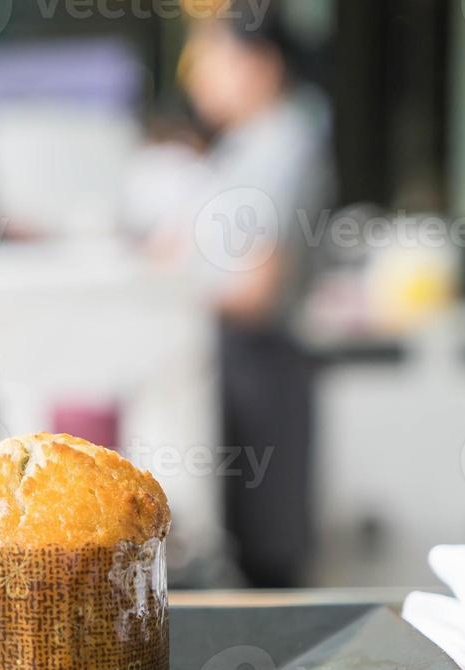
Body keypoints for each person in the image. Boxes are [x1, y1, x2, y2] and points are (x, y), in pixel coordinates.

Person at [176, 7, 334, 588]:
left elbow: (258, 288)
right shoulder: (243, 146)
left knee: (266, 560)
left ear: (262, 66)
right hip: (233, 363)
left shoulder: (283, 142)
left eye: (210, 59)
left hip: (260, 368)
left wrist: (170, 298)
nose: (196, 77)